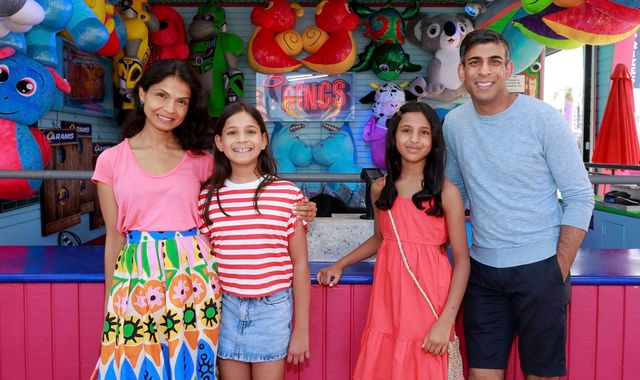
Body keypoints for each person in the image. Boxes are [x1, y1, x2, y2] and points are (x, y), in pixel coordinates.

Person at [91, 61, 316, 380]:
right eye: (161, 96)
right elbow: (114, 238)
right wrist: (110, 304)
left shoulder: (201, 161)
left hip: (195, 283)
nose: (169, 108)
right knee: (135, 367)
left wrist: (305, 208)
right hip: (138, 279)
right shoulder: (111, 160)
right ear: (142, 94)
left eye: (181, 101)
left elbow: (244, 194)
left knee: (190, 368)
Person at [444, 29, 594, 380]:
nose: (485, 72)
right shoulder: (454, 124)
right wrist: (394, 201)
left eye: (494, 62)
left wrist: (557, 269)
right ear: (461, 71)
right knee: (480, 375)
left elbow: (579, 196)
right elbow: (454, 195)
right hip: (482, 272)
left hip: (540, 268)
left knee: (542, 375)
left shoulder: (543, 119)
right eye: (475, 63)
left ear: (508, 69)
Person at [317, 101, 470, 379]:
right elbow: (380, 239)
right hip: (388, 300)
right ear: (394, 136)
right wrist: (341, 264)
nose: (414, 139)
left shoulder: (447, 194)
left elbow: (462, 261)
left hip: (429, 300)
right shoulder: (380, 189)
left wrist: (445, 321)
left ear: (434, 139)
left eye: (424, 133)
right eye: (406, 130)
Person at [198, 102, 311, 380]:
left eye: (250, 132)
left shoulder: (287, 195)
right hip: (225, 310)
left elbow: (300, 264)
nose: (241, 140)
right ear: (219, 143)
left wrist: (301, 330)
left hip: (272, 312)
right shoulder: (206, 198)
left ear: (263, 140)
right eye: (232, 133)